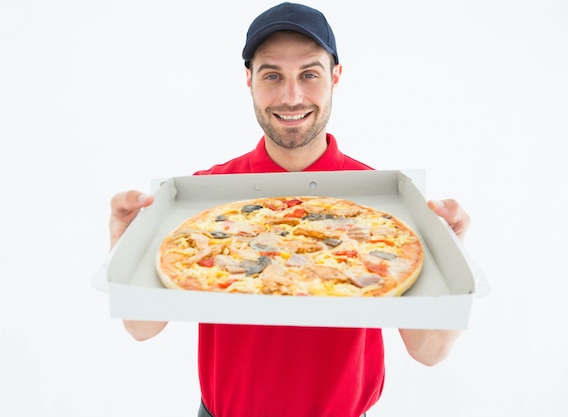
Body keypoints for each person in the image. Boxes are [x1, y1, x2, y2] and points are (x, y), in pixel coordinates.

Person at [108, 3, 471, 416]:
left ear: (335, 76)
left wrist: (450, 260)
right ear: (249, 80)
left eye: (309, 74)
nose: (292, 96)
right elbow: (141, 328)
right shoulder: (206, 194)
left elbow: (429, 352)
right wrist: (124, 248)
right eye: (273, 75)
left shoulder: (383, 207)